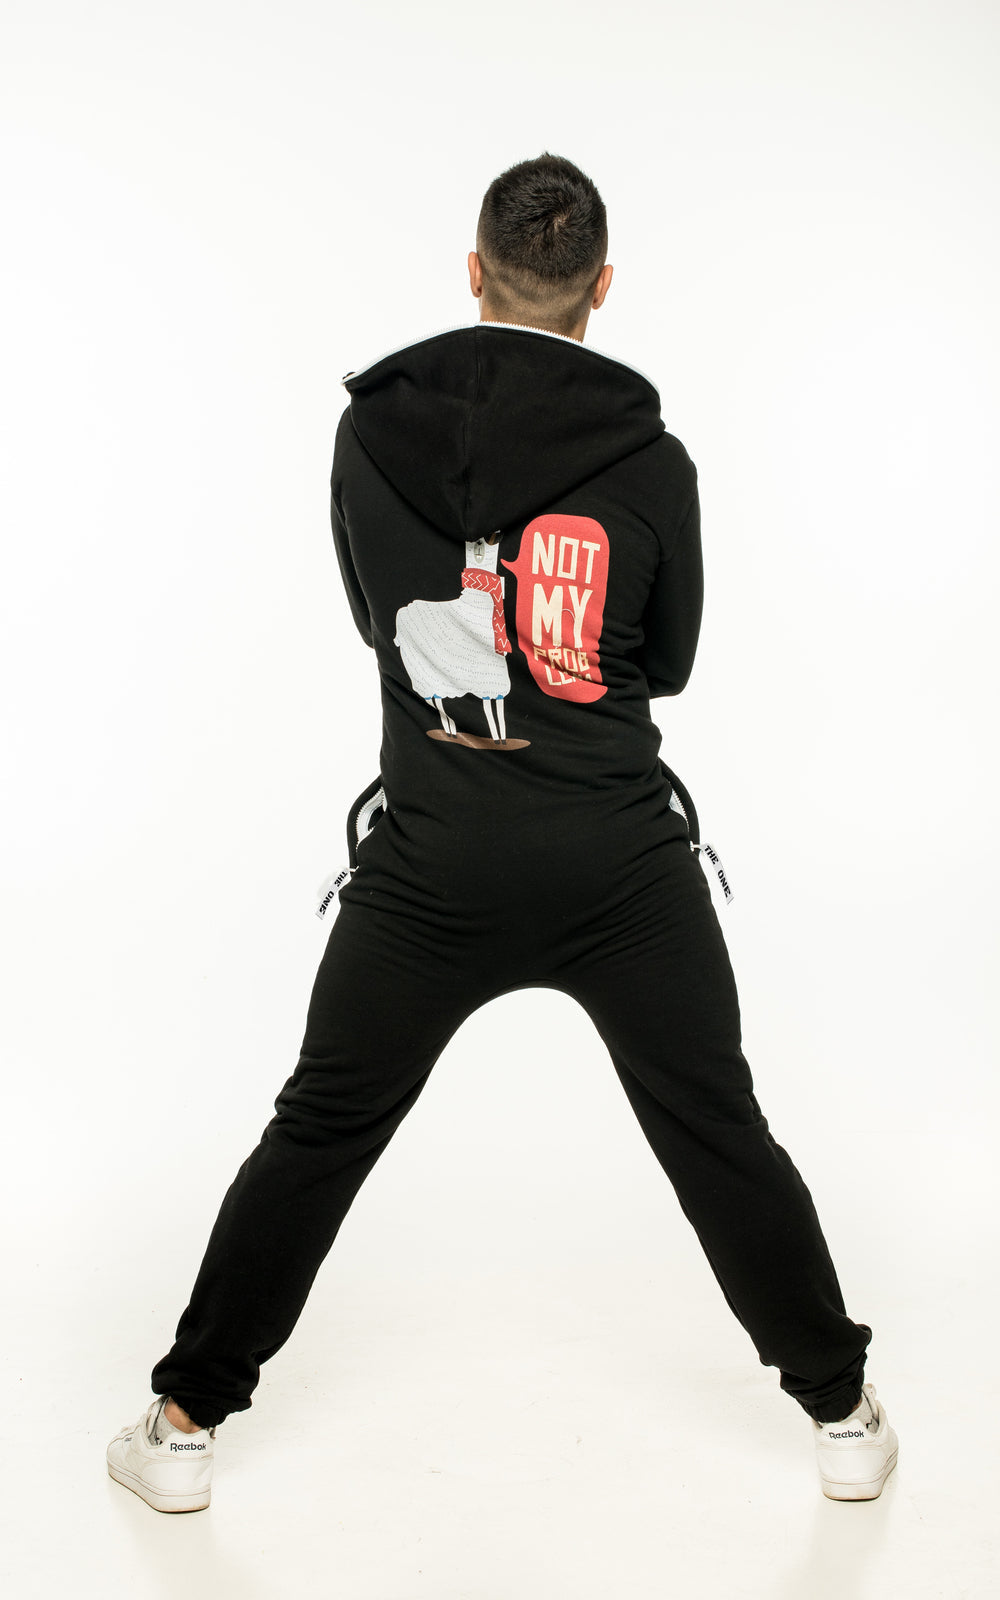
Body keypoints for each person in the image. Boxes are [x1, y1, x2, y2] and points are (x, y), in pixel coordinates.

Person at [107, 152, 898, 1513]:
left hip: (433, 862)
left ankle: (182, 1427)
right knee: (717, 1128)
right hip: (620, 866)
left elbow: (378, 623)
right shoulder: (653, 464)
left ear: (474, 273)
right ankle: (842, 1413)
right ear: (603, 288)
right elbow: (667, 664)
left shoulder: (370, 436)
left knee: (320, 1128)